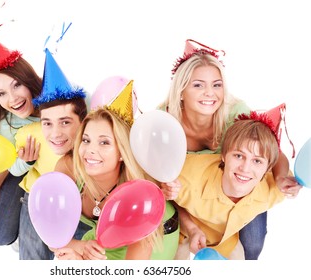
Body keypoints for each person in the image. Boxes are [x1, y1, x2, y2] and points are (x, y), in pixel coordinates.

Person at [159, 39, 300, 259]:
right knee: (178, 244)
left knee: (253, 242)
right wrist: (185, 217)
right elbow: (161, 180)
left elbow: (270, 151)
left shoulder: (235, 113)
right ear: (181, 90)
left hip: (238, 187)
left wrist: (281, 177)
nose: (210, 93)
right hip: (190, 191)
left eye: (217, 84)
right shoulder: (164, 124)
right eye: (198, 85)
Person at [52, 81, 179, 260]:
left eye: (104, 142)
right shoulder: (68, 168)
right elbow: (52, 234)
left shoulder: (137, 200)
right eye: (86, 140)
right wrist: (80, 247)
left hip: (159, 234)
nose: (90, 150)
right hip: (103, 237)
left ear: (122, 152)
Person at [173, 111, 302, 259]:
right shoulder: (187, 176)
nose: (245, 169)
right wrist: (191, 228)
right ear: (223, 156)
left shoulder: (274, 189)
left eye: (257, 161)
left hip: (224, 240)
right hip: (182, 233)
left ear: (267, 169)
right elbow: (161, 188)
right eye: (239, 156)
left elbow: (278, 157)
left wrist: (283, 178)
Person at [15, 47, 87, 260]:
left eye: (65, 122)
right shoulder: (29, 136)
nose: (55, 134)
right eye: (47, 123)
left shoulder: (93, 151)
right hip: (36, 199)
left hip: (81, 203)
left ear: (83, 122)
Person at [0, 25, 41, 248]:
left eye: (17, 85)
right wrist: (25, 162)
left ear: (28, 79)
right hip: (22, 169)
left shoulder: (53, 103)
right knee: (1, 236)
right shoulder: (7, 124)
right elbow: (11, 167)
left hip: (59, 169)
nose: (12, 99)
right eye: (1, 93)